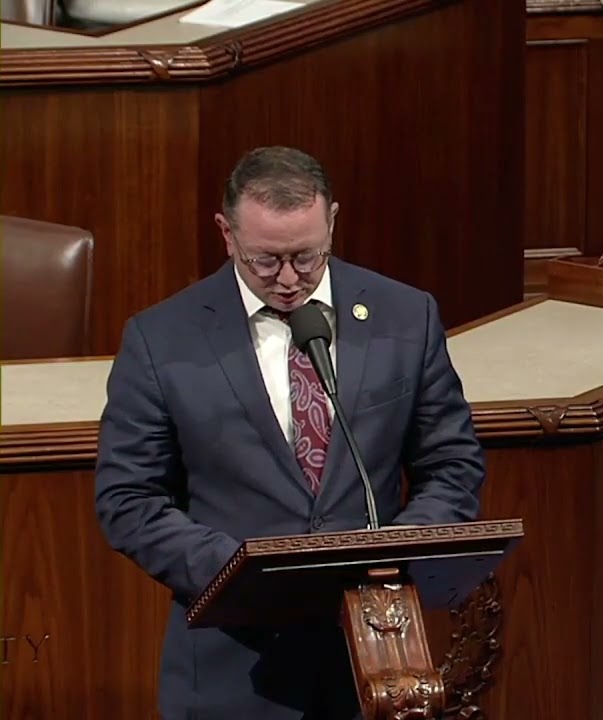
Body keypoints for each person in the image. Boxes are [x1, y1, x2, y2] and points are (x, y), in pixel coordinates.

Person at [94, 146, 486, 719]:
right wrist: (237, 572)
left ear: (332, 221)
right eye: (265, 260)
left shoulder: (406, 316)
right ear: (226, 234)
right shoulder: (161, 339)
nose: (287, 280)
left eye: (307, 257)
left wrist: (395, 553)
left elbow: (453, 463)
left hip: (375, 656)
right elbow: (127, 498)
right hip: (234, 664)